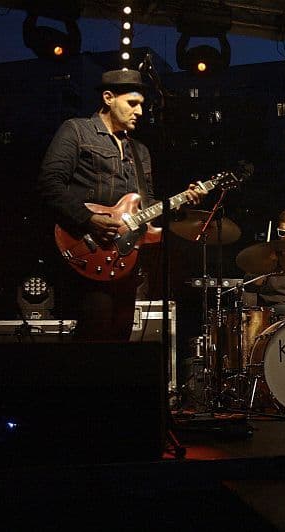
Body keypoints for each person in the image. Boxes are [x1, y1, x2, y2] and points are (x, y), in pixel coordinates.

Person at [37, 69, 206, 340]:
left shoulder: (140, 151)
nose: (139, 111)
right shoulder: (77, 130)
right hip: (86, 248)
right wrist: (88, 219)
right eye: (132, 103)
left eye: (142, 105)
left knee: (121, 335)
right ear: (108, 98)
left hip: (124, 260)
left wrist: (182, 201)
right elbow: (49, 184)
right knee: (95, 330)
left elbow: (146, 206)